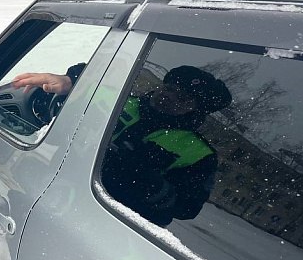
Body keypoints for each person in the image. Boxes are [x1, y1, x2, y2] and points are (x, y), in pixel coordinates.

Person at [13, 64, 231, 226]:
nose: (169, 96)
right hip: (51, 194)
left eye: (183, 97)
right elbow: (94, 79)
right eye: (170, 87)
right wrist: (71, 81)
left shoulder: (197, 153)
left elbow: (186, 208)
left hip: (105, 225)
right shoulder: (120, 102)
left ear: (196, 109)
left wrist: (144, 179)